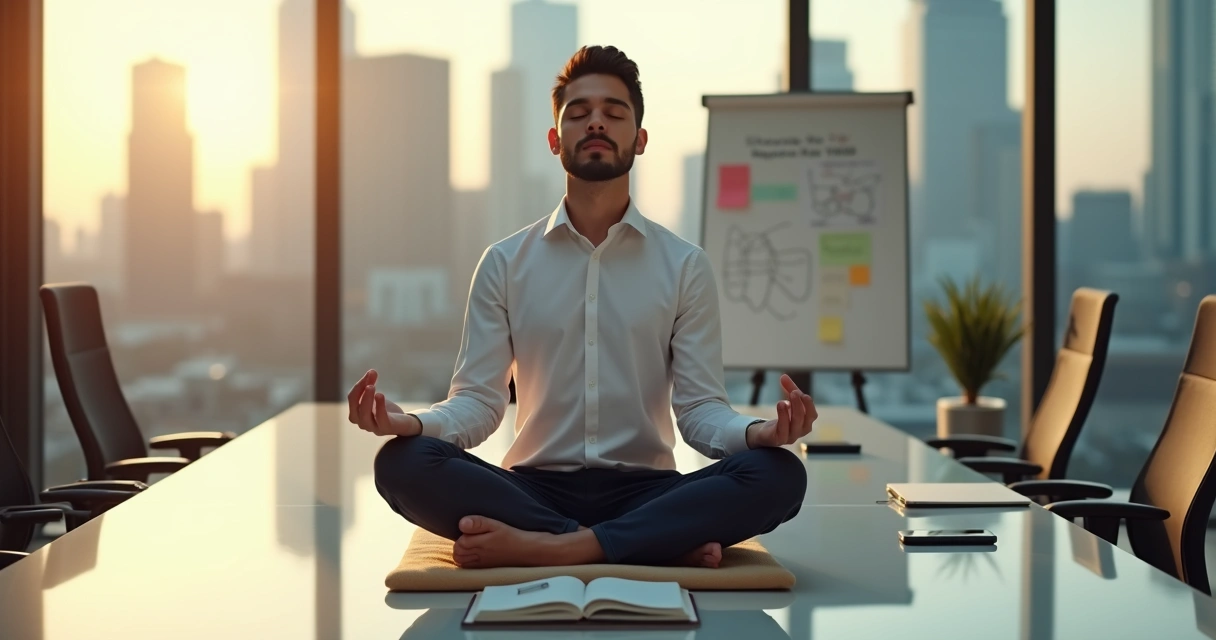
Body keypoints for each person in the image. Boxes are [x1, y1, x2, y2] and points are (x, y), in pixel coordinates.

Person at [350, 45, 813, 570]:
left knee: (779, 472)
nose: (596, 122)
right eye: (579, 113)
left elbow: (700, 411)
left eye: (614, 113)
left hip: (649, 492)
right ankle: (644, 544)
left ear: (639, 139)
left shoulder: (684, 265)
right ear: (555, 139)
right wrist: (409, 422)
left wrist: (760, 435)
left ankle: (558, 547)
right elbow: (478, 404)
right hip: (529, 493)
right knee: (402, 461)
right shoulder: (504, 262)